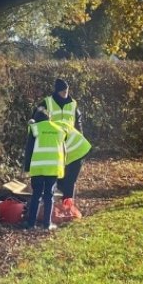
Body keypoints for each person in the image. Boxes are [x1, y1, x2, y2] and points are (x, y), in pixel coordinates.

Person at [39, 78, 86, 220]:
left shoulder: (73, 104)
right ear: (57, 91)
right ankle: (55, 202)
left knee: (71, 176)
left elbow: (78, 123)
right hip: (53, 145)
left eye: (67, 90)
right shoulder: (47, 103)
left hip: (71, 144)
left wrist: (80, 140)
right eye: (62, 91)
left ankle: (68, 205)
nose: (65, 93)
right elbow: (38, 120)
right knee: (58, 175)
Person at [21, 108, 67, 231]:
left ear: (37, 118)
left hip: (38, 167)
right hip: (53, 167)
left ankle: (31, 224)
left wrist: (26, 167)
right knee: (49, 196)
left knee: (36, 195)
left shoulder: (35, 128)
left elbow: (29, 149)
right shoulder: (59, 129)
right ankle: (47, 224)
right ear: (49, 118)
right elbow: (64, 150)